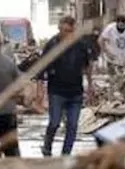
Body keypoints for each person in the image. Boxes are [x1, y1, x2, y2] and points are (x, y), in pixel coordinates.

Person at [38, 16, 92, 157]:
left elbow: (87, 66)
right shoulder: (52, 44)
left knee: (72, 125)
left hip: (75, 92)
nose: (65, 34)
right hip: (56, 91)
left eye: (68, 31)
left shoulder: (81, 45)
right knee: (55, 122)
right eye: (62, 30)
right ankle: (47, 146)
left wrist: (91, 85)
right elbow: (41, 66)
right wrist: (40, 90)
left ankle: (66, 154)